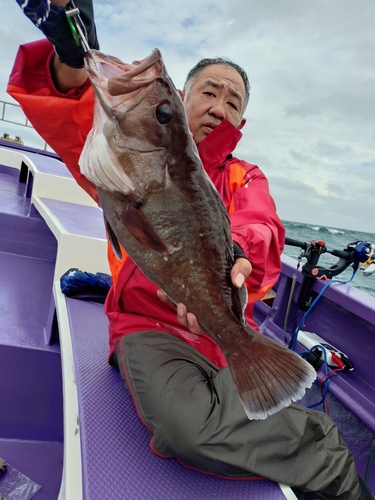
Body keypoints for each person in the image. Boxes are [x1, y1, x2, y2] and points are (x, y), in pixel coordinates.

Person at [8, 2, 373, 499]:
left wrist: (237, 261)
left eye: (234, 101)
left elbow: (261, 226)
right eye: (210, 91)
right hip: (148, 325)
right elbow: (70, 111)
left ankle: (265, 411)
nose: (221, 107)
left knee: (233, 395)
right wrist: (69, 59)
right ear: (182, 99)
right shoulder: (123, 155)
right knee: (185, 428)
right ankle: (321, 452)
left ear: (243, 117)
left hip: (226, 323)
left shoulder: (247, 175)